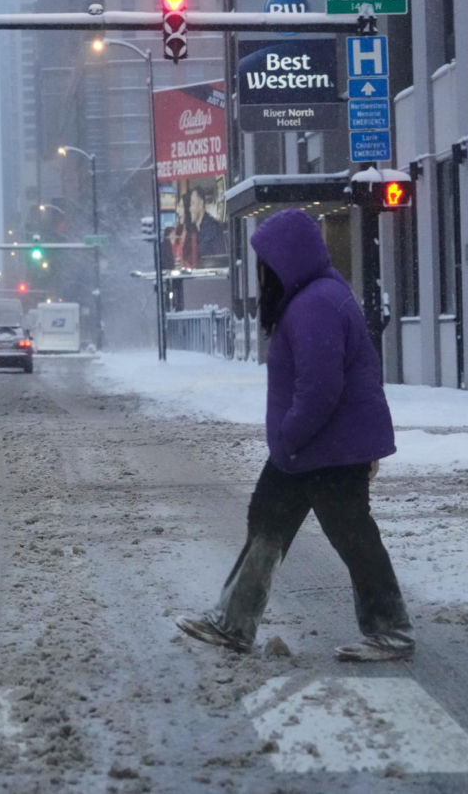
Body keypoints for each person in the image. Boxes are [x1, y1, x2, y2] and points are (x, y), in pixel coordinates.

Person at [175, 208, 414, 662]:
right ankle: (234, 622)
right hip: (318, 445)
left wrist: (287, 438)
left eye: (267, 260)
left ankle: (391, 631)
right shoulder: (315, 296)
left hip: (327, 446)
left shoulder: (316, 304)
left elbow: (320, 388)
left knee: (351, 533)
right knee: (271, 522)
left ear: (286, 259)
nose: (263, 271)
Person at [189, 187, 225, 261]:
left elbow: (220, 258)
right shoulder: (192, 230)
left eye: (192, 203)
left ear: (201, 203)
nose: (190, 208)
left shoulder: (213, 227)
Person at [166, 194, 197, 269]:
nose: (177, 211)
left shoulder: (193, 233)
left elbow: (195, 263)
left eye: (181, 207)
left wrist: (184, 265)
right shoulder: (178, 230)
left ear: (187, 209)